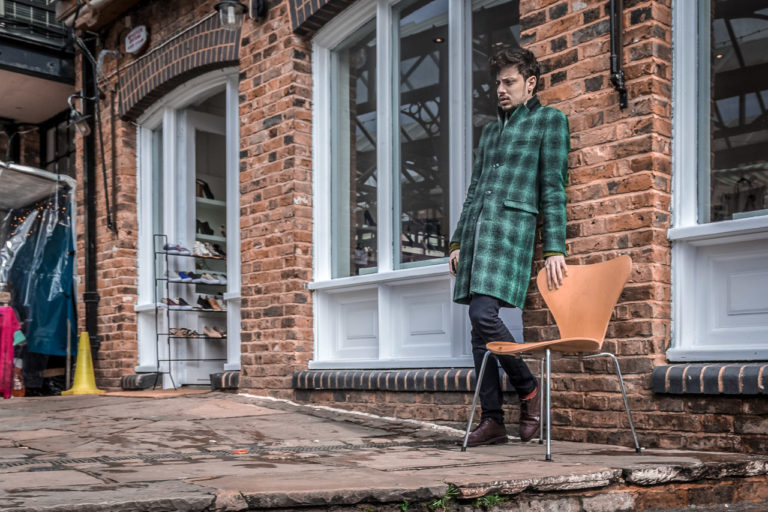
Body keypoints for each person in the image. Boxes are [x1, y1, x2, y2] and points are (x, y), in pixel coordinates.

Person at [448, 47, 570, 446]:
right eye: (497, 83)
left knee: (484, 315)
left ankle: (528, 387)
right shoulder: (489, 131)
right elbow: (474, 190)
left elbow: (553, 189)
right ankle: (494, 418)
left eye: (509, 82)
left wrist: (554, 248)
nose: (500, 89)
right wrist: (458, 240)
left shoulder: (549, 122)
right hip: (480, 237)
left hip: (512, 235)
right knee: (476, 330)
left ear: (530, 83)